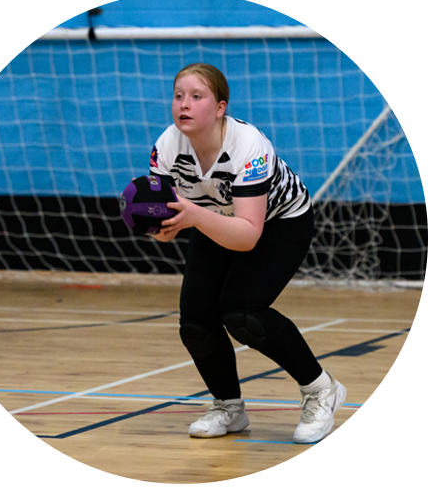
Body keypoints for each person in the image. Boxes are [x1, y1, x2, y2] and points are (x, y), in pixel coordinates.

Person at [148, 63, 346, 444]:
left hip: (278, 223)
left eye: (196, 96)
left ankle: (322, 389)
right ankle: (228, 406)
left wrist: (192, 216)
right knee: (195, 320)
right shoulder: (166, 149)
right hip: (212, 216)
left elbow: (248, 236)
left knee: (242, 312)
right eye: (178, 96)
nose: (183, 105)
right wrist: (157, 224)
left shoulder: (248, 146)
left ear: (220, 107)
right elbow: (167, 232)